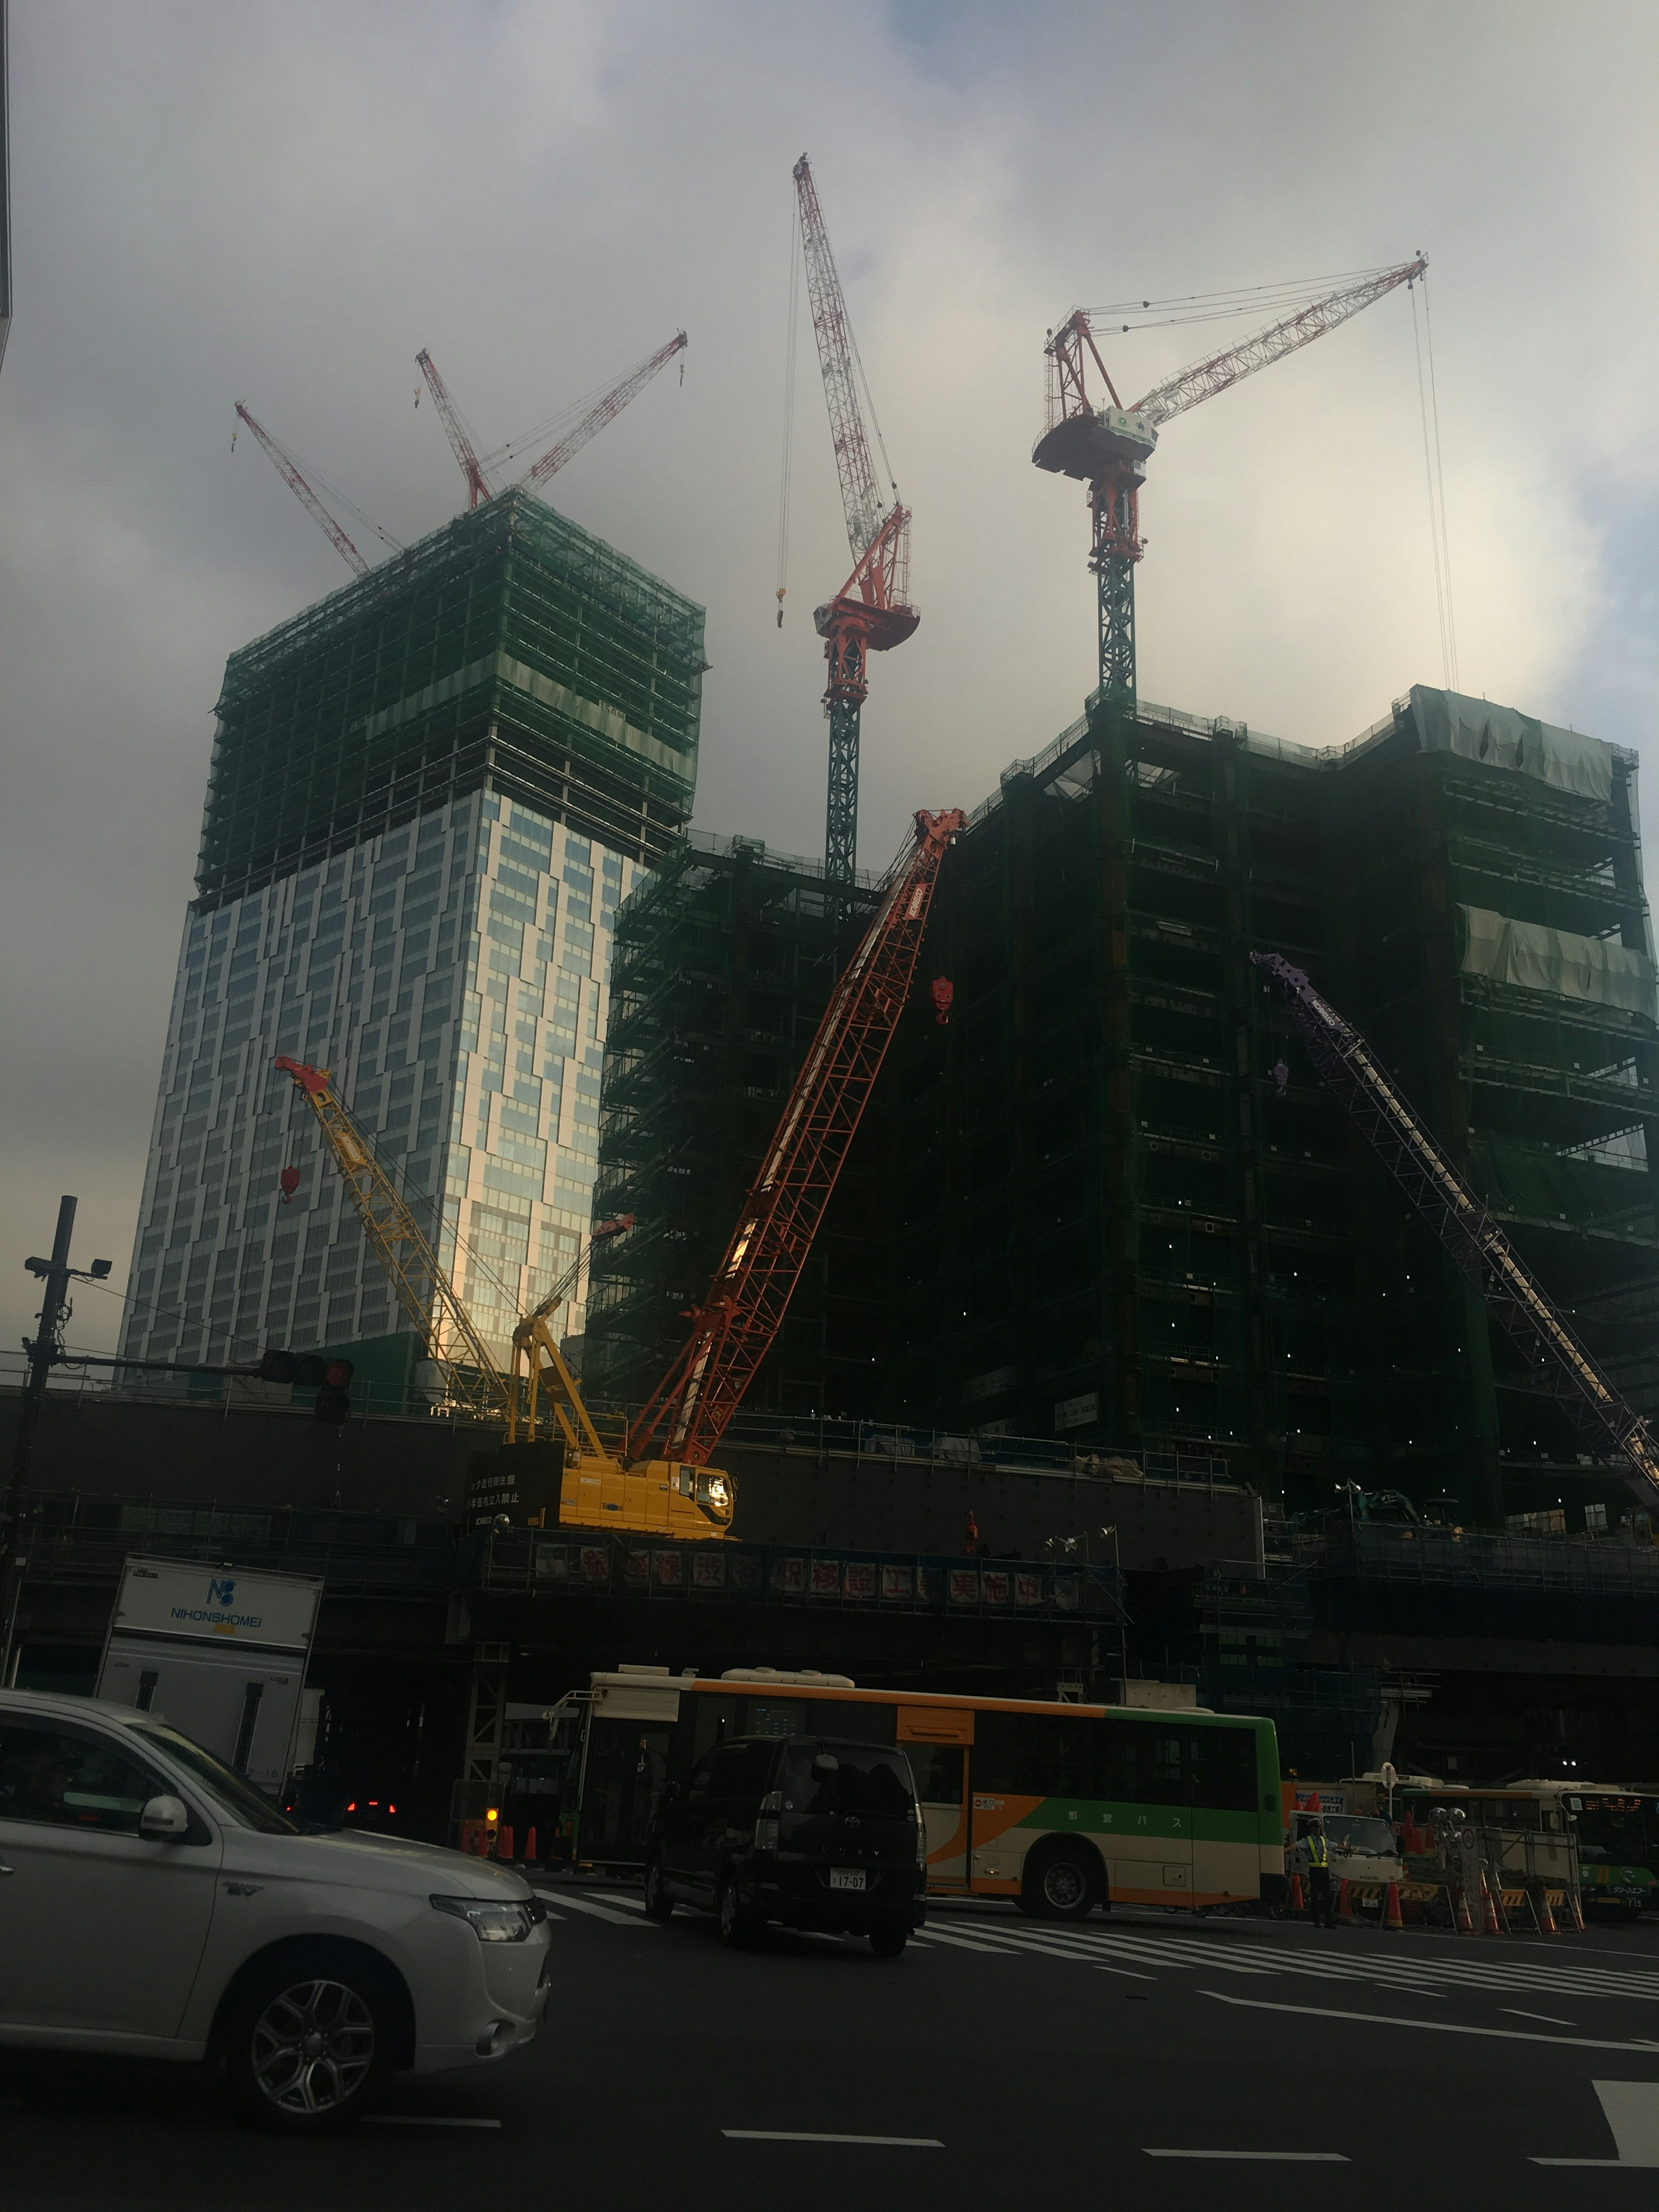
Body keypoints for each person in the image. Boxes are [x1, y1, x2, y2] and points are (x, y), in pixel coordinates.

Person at [1305, 1819, 1335, 1929]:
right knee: (1315, 1896)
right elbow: (1296, 1846)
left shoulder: (1323, 1840)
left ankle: (1328, 1922)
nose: (1317, 1830)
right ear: (1311, 1829)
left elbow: (1334, 1846)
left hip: (1324, 1871)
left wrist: (1348, 1849)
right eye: (1315, 1828)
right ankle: (1316, 1920)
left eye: (1318, 1828)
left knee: (1328, 1896)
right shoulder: (1308, 1840)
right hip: (1314, 1872)